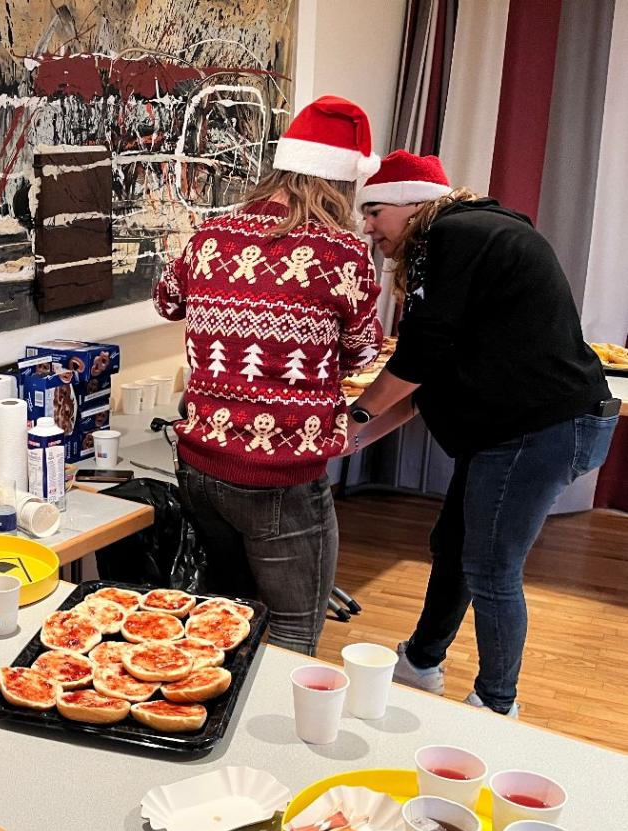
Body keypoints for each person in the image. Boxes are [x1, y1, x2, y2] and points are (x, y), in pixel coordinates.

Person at [351, 151, 618, 716]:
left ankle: (496, 706)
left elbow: (418, 358)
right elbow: (431, 377)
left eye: (374, 212)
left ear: (410, 204)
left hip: (536, 428)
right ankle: (420, 661)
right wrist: (355, 436)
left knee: (492, 568)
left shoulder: (452, 237)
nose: (368, 228)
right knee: (454, 546)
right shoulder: (471, 235)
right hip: (527, 426)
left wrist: (355, 415)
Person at [154, 95, 384, 654]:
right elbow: (361, 352)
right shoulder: (342, 253)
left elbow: (167, 301)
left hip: (201, 464)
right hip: (281, 473)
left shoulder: (211, 235)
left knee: (221, 624)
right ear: (340, 182)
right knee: (292, 633)